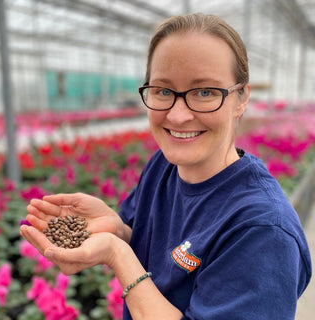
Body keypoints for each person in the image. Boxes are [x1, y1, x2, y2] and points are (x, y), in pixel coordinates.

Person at [20, 13, 311, 319]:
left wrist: (116, 254)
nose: (178, 115)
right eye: (163, 91)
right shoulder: (164, 165)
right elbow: (149, 244)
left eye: (204, 92)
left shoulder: (262, 231)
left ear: (241, 98)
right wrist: (118, 230)